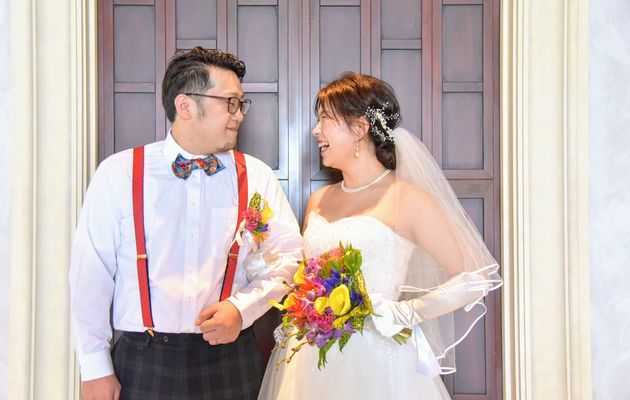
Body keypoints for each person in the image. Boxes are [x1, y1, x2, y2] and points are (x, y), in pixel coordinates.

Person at [69, 47, 302, 400]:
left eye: (241, 104)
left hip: (229, 358)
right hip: (142, 360)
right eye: (230, 102)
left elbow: (289, 258)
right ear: (186, 106)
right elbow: (91, 275)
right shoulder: (119, 173)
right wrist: (95, 368)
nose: (239, 114)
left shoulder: (256, 176)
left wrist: (242, 309)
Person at [258, 72, 502, 399]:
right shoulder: (319, 200)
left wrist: (408, 311)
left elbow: (475, 277)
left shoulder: (407, 199)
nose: (316, 130)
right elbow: (305, 276)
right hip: (312, 358)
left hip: (379, 359)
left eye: (325, 119)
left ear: (360, 129)